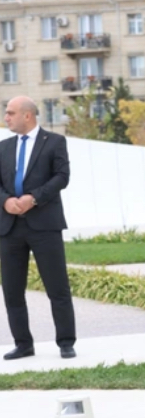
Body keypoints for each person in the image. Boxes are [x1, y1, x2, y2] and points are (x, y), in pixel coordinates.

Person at [0, 96, 75, 360]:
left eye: (10, 113)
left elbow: (62, 177)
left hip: (44, 225)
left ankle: (66, 342)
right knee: (12, 290)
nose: (6, 117)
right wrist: (6, 201)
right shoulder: (3, 147)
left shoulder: (54, 142)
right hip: (9, 227)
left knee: (57, 287)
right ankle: (23, 344)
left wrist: (33, 198)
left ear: (27, 115)